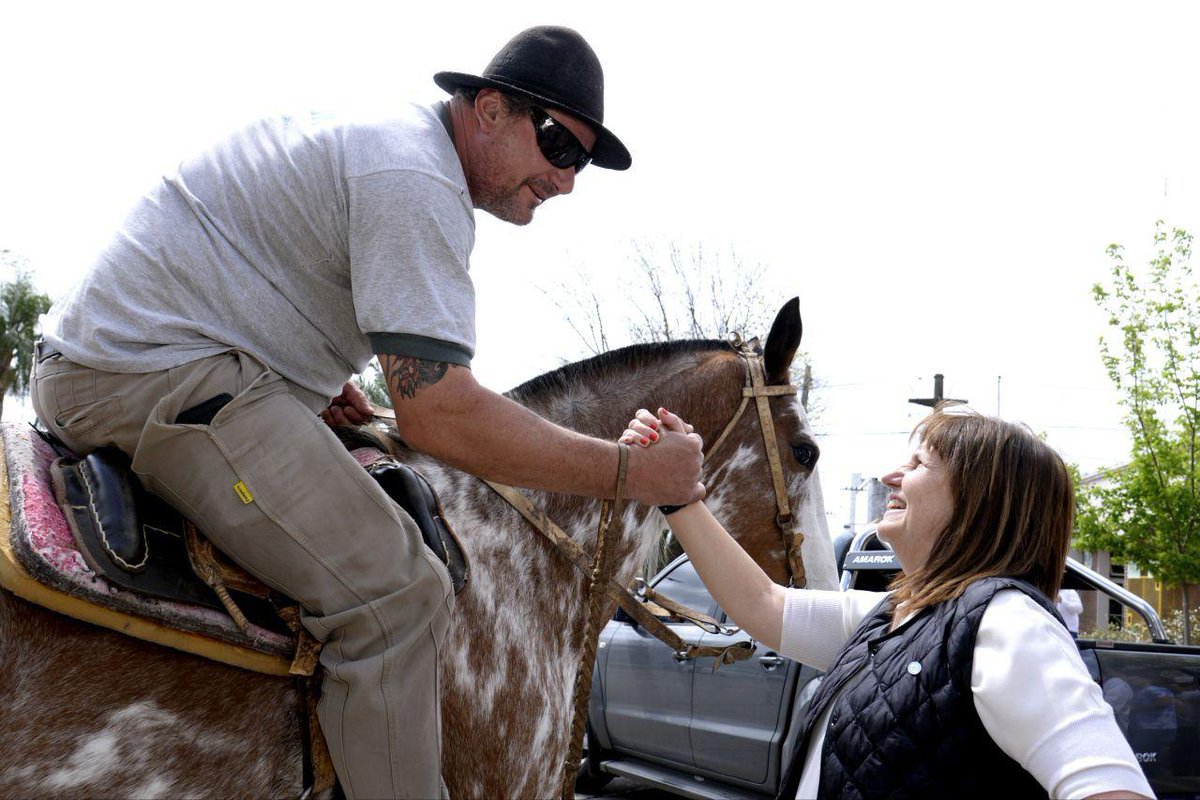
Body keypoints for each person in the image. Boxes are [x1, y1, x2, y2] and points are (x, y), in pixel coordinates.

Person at [30, 26, 704, 800]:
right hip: (146, 373)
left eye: (580, 161)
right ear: (488, 109)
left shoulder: (397, 147)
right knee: (396, 594)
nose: (567, 179)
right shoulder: (417, 178)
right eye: (557, 144)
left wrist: (302, 381)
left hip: (157, 356)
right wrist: (630, 474)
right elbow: (439, 417)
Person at [620, 405, 1154, 799]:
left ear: (977, 500)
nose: (888, 477)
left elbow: (1111, 788)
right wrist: (678, 493)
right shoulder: (891, 616)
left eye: (918, 464)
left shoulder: (1007, 624)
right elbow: (761, 603)